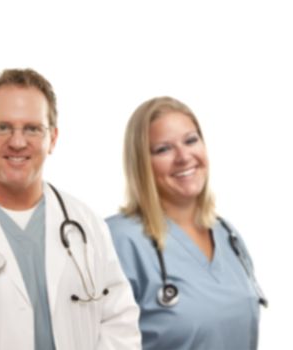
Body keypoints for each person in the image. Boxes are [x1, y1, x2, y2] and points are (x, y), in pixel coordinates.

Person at [0, 68, 141, 349]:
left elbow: (119, 323)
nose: (17, 142)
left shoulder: (86, 224)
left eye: (32, 128)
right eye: (2, 127)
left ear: (52, 138)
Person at [106, 96, 266, 349]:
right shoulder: (118, 240)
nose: (183, 157)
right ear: (142, 163)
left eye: (191, 140)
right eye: (163, 149)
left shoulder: (227, 235)